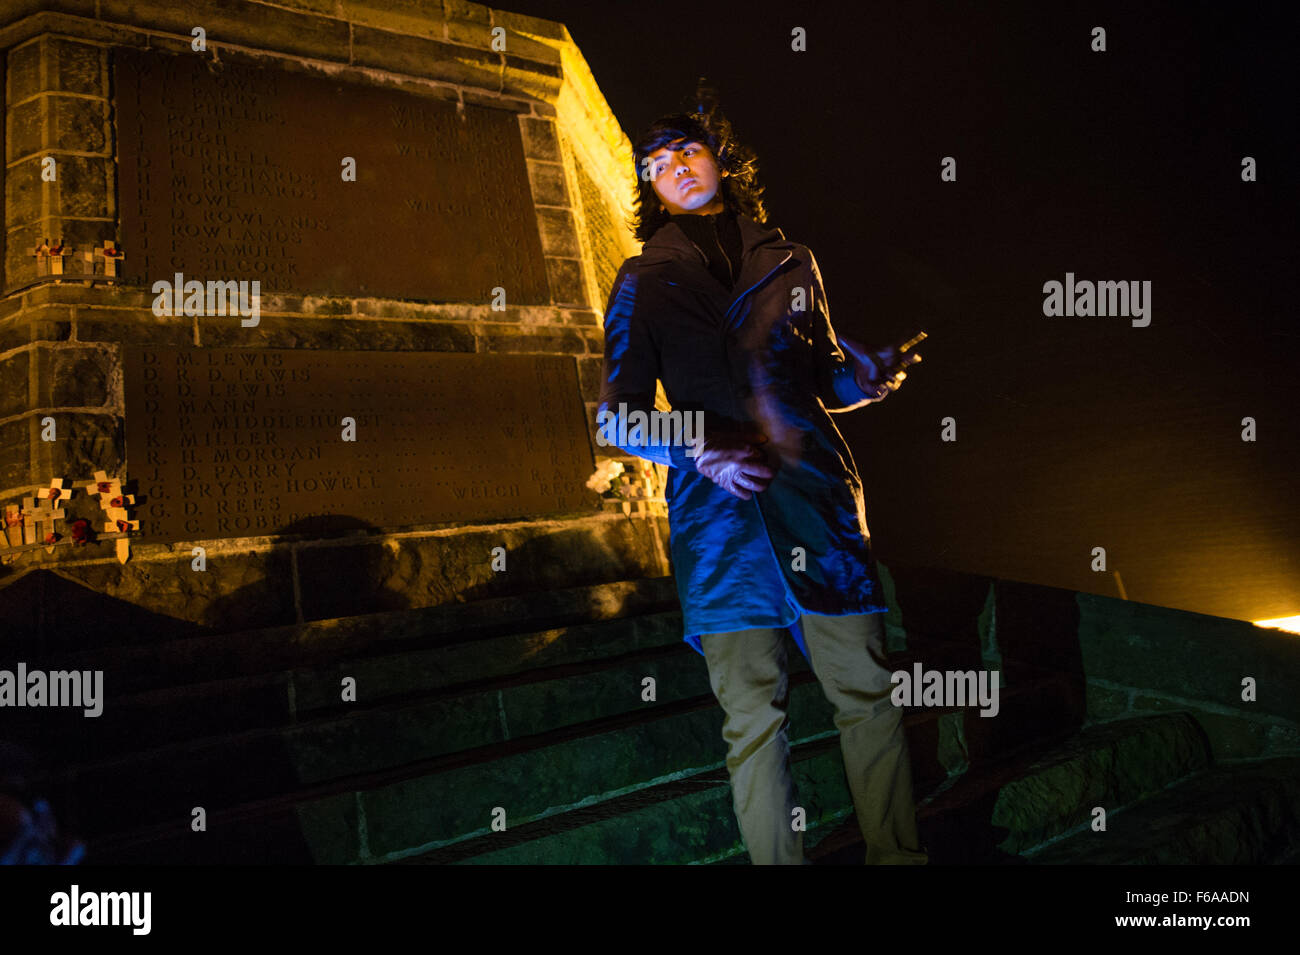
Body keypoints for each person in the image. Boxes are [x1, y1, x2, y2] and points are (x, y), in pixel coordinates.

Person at [597, 92, 928, 865]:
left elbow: (824, 376)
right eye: (656, 163)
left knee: (869, 697)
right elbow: (615, 417)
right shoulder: (643, 280)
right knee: (753, 722)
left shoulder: (793, 261)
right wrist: (698, 446)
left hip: (815, 503)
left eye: (687, 150)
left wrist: (866, 382)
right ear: (648, 186)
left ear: (720, 161)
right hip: (720, 527)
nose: (674, 167)